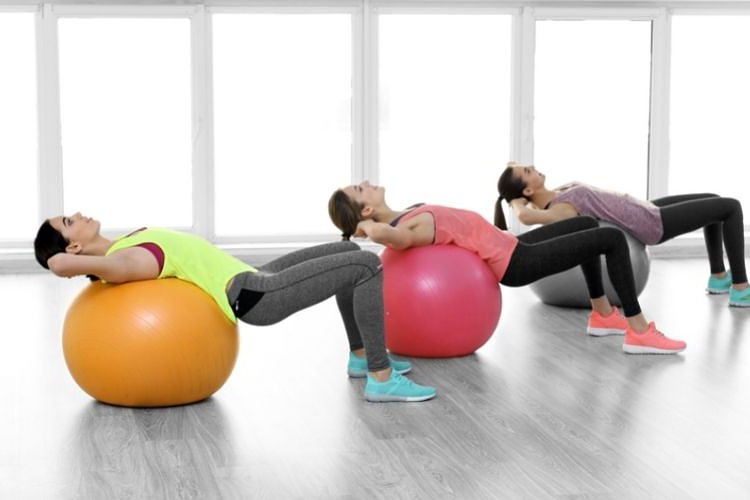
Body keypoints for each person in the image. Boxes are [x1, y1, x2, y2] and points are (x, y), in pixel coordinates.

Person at [34, 213, 436, 403]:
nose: (79, 214)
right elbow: (113, 270)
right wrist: (63, 264)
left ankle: (362, 358)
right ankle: (381, 377)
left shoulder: (126, 244)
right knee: (366, 264)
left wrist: (71, 259)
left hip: (253, 273)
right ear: (73, 246)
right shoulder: (127, 259)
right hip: (254, 293)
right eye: (69, 221)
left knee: (349, 251)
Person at [329, 181, 686, 355]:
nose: (367, 183)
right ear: (365, 212)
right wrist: (368, 230)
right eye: (361, 189)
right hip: (516, 263)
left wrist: (370, 224)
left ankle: (602, 313)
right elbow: (395, 240)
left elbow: (390, 229)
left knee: (589, 223)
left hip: (514, 245)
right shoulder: (405, 229)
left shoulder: (407, 213)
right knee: (611, 238)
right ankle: (639, 330)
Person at [495, 162, 750, 307]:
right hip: (651, 223)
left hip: (647, 207)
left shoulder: (559, 191)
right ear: (527, 191)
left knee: (716, 201)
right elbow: (526, 217)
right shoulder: (560, 209)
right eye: (526, 171)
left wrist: (515, 192)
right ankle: (740, 288)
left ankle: (718, 278)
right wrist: (514, 201)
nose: (531, 166)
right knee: (731, 207)